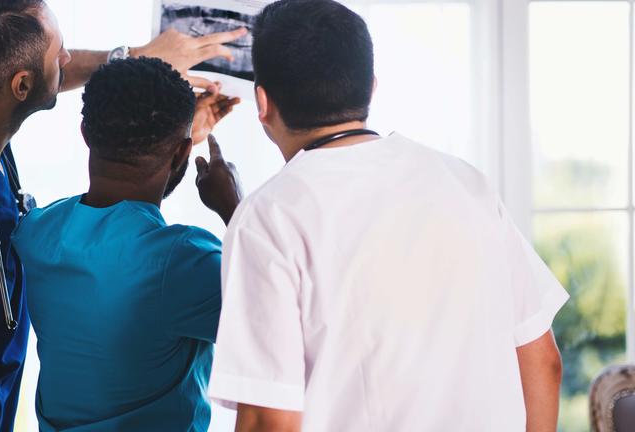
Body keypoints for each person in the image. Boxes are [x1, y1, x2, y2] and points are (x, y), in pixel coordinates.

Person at [0, 0, 244, 430]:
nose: (68, 59)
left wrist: (138, 71)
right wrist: (233, 204)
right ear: (21, 86)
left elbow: (119, 188)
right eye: (59, 51)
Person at [208, 1, 568, 431]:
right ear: (371, 88)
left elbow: (271, 418)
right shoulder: (466, 183)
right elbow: (542, 361)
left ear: (261, 102)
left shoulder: (266, 217)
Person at [11, 57, 242, 431]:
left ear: (85, 133)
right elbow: (281, 316)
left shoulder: (36, 233)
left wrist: (172, 142)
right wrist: (236, 207)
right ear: (183, 152)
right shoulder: (181, 262)